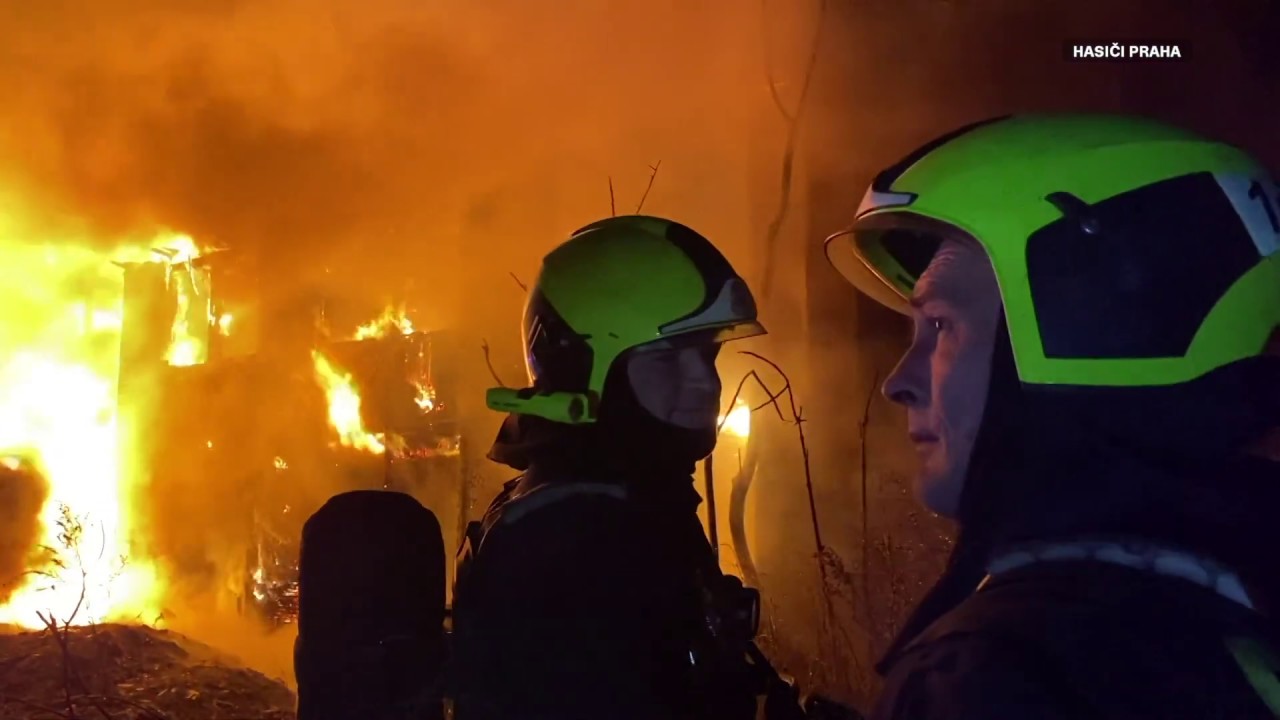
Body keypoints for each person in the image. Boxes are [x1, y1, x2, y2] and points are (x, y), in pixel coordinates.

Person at [824, 114, 1280, 718]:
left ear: (1086, 329)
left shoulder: (993, 678)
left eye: (940, 326)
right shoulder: (1233, 613)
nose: (898, 382)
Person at [450, 215, 768, 720]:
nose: (704, 383)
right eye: (667, 360)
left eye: (706, 356)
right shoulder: (574, 540)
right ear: (583, 367)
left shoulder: (629, 500)